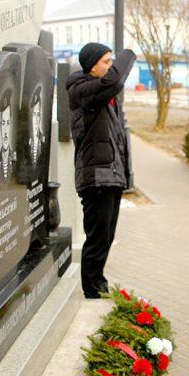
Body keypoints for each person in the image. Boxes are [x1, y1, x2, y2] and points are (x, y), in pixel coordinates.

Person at [66, 42, 136, 298]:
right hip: (95, 177)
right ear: (92, 65)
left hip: (111, 176)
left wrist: (124, 175)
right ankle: (93, 289)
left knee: (106, 236)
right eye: (107, 61)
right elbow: (115, 81)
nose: (110, 65)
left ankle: (99, 282)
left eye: (111, 60)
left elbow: (116, 138)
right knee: (96, 238)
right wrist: (128, 53)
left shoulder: (105, 96)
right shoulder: (82, 90)